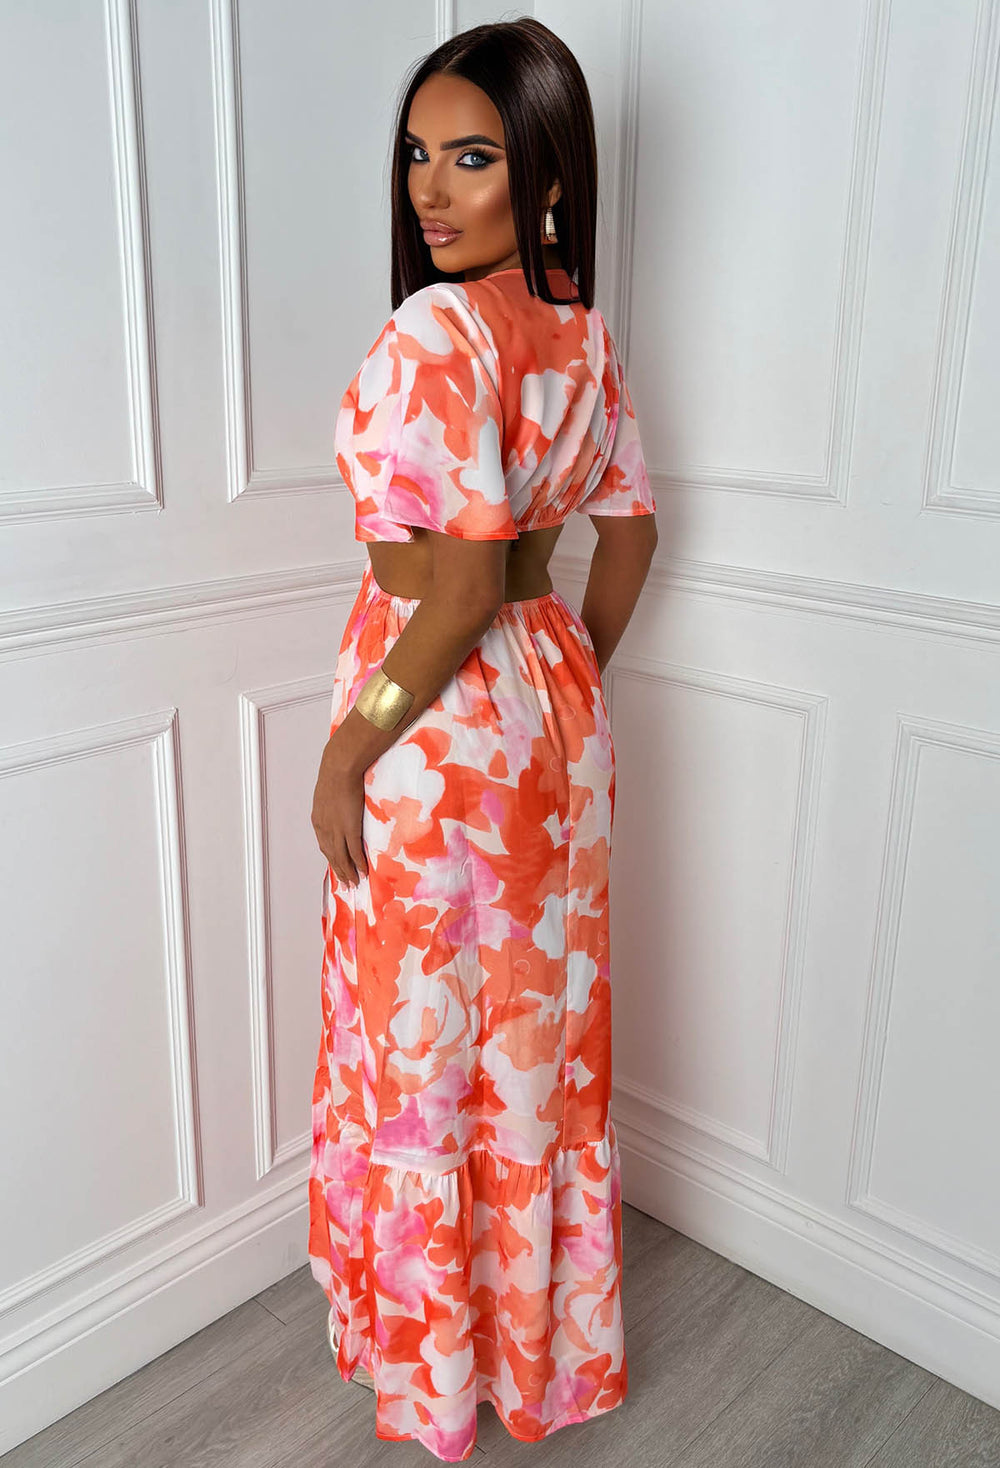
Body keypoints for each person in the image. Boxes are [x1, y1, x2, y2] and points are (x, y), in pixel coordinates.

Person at [307, 17, 657, 1462]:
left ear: (546, 177)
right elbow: (628, 538)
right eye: (418, 156)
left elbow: (452, 594)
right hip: (548, 714)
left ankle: (442, 1373)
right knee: (532, 1042)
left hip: (432, 722)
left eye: (472, 158)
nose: (431, 191)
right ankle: (538, 1355)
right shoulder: (583, 334)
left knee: (425, 1042)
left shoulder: (434, 331)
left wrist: (350, 749)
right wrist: (557, 681)